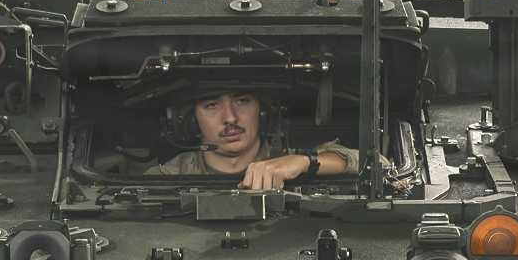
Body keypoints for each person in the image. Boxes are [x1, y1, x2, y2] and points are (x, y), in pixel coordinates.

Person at [144, 88, 358, 191]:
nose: (230, 118)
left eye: (242, 101)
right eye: (211, 105)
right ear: (191, 121)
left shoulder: (290, 161)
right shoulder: (164, 178)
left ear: (263, 113)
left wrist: (306, 162)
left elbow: (379, 164)